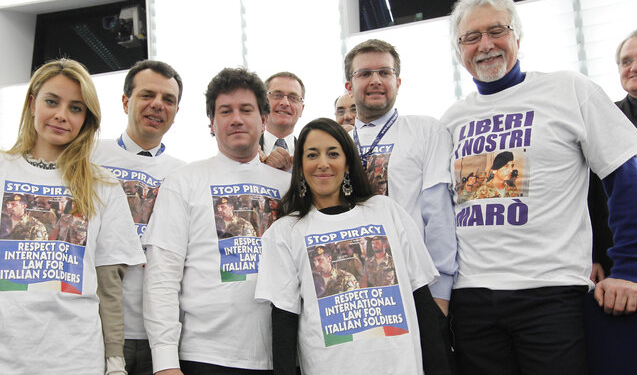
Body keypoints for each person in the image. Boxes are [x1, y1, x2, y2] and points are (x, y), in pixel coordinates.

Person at [442, 0, 637, 375]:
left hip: (550, 293)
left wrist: (629, 267)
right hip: (472, 299)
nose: (486, 45)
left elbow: (625, 179)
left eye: (497, 31)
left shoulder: (569, 90)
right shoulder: (451, 119)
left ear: (518, 38)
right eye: (471, 37)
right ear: (459, 50)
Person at [0, 59, 145, 375]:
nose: (61, 115)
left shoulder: (103, 186)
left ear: (87, 119)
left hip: (74, 361)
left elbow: (109, 288)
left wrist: (115, 364)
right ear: (31, 102)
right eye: (52, 101)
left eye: (76, 108)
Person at [255, 118, 441, 375]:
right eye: (312, 154)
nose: (323, 163)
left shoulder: (386, 211)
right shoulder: (285, 232)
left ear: (347, 162)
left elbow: (423, 304)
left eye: (333, 153)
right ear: (300, 167)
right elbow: (284, 325)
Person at [142, 67, 290, 375]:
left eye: (246, 110)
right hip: (204, 356)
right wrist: (165, 363)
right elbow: (162, 275)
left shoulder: (287, 187)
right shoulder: (184, 181)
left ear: (264, 119)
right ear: (212, 123)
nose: (236, 118)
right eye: (225, 111)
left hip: (282, 356)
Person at [344, 38, 457, 373]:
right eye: (365, 74)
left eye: (384, 72)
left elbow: (438, 214)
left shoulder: (424, 129)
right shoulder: (336, 144)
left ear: (398, 81)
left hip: (417, 286)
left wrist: (440, 294)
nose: (376, 80)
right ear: (350, 86)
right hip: (357, 295)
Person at [92, 59, 186, 375]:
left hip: (159, 339)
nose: (157, 105)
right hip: (94, 329)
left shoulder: (185, 174)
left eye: (168, 99)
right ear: (125, 101)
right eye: (147, 95)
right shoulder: (88, 155)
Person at [590, 25, 637, 279]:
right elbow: (586, 195)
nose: (634, 67)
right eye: (626, 61)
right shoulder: (602, 118)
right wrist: (592, 256)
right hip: (623, 262)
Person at [260, 72, 305, 171]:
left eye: (293, 98)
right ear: (263, 103)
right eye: (277, 95)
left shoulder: (308, 154)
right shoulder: (246, 152)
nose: (285, 103)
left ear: (302, 109)